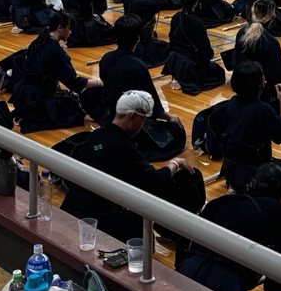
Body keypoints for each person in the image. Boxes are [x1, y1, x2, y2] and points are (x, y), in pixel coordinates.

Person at [60, 91, 199, 241]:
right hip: (98, 219)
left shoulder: (96, 135)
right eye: (143, 120)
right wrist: (176, 163)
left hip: (71, 206)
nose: (143, 125)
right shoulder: (123, 146)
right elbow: (155, 181)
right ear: (132, 116)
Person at [177, 162, 281, 291]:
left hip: (189, 267)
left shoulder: (220, 202)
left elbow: (185, 237)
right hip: (226, 282)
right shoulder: (280, 214)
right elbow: (279, 271)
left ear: (254, 182)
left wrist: (180, 267)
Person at [10, 12, 101, 132]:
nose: (70, 32)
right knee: (75, 113)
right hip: (35, 100)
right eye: (69, 28)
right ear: (60, 28)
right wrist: (98, 82)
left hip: (22, 95)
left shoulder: (39, 40)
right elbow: (73, 82)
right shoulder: (55, 52)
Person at [220, 61, 281, 192]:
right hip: (255, 171)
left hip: (231, 168)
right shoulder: (263, 109)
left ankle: (235, 185)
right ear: (259, 85)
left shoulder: (231, 103)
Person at [234, 0, 281, 116]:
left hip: (242, 87)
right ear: (272, 17)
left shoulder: (241, 32)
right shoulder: (271, 43)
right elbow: (277, 78)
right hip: (261, 92)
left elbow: (235, 62)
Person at [165, 0, 227, 93]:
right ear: (196, 2)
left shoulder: (175, 17)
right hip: (189, 64)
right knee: (219, 73)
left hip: (174, 61)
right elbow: (205, 49)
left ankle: (177, 76)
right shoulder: (197, 22)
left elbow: (171, 39)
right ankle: (184, 78)